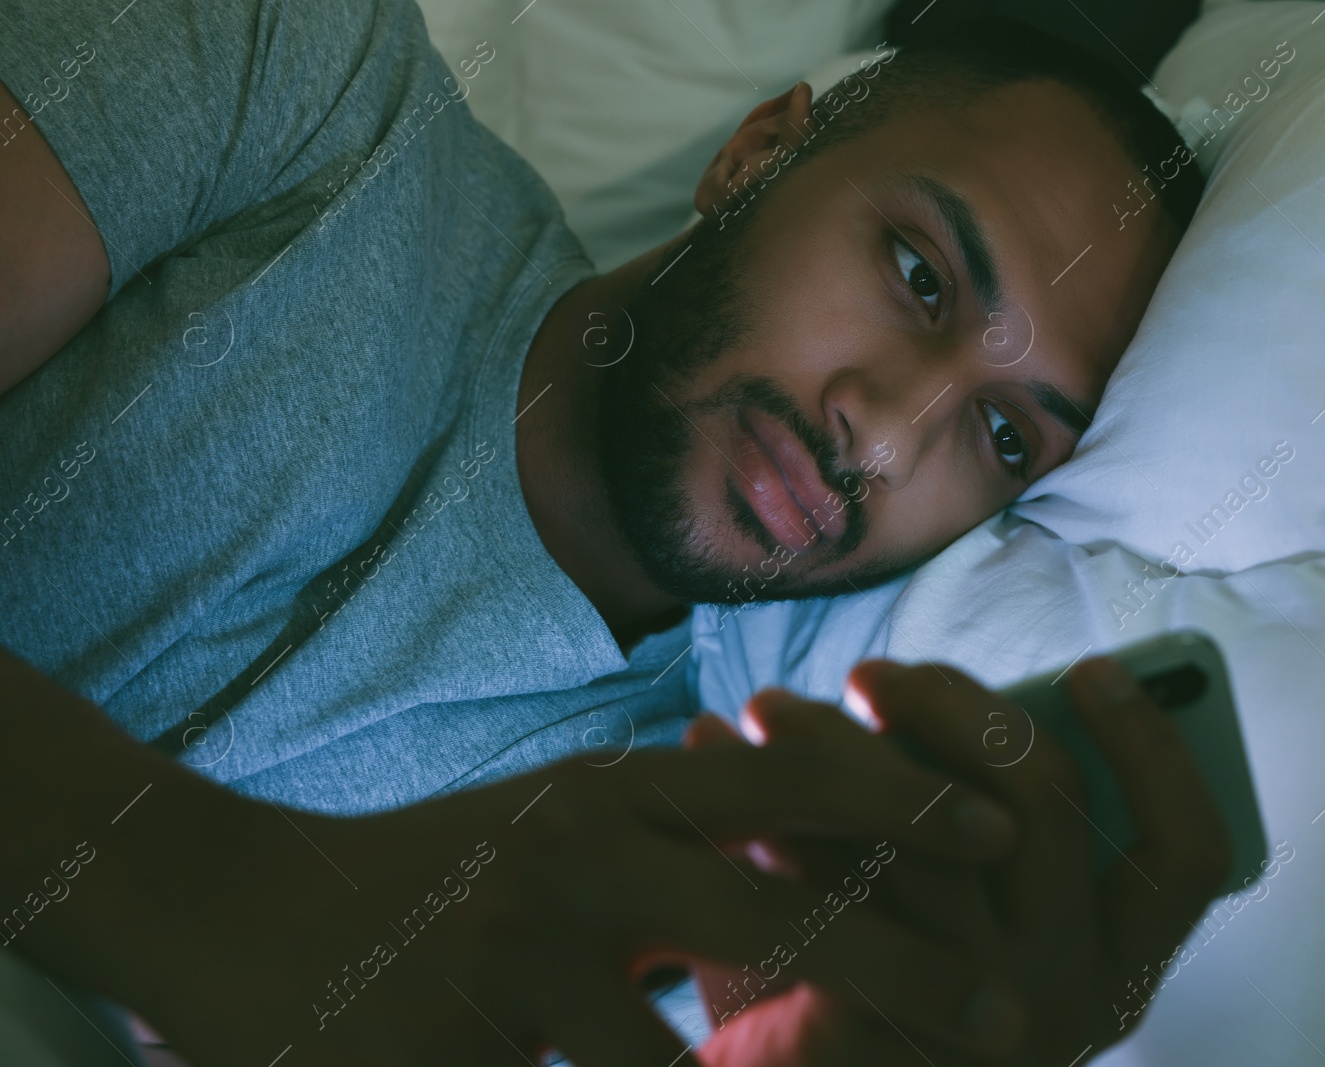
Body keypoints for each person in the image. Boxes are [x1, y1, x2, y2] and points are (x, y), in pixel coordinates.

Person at [0, 0, 1211, 1061]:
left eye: (1003, 437)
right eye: (918, 272)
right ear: (758, 152)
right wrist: (227, 898)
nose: (888, 438)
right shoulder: (296, 76)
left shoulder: (692, 852)